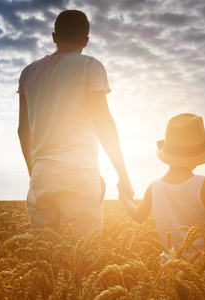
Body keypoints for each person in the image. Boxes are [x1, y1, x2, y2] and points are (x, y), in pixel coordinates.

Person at [17, 10, 133, 238]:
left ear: (54, 36)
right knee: (83, 259)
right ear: (86, 40)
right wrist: (124, 175)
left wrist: (35, 173)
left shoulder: (28, 72)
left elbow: (23, 130)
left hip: (40, 173)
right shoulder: (91, 66)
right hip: (78, 171)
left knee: (45, 260)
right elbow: (104, 123)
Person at [119, 113, 205, 263]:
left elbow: (138, 216)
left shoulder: (153, 187)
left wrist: (125, 199)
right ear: (198, 158)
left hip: (169, 274)